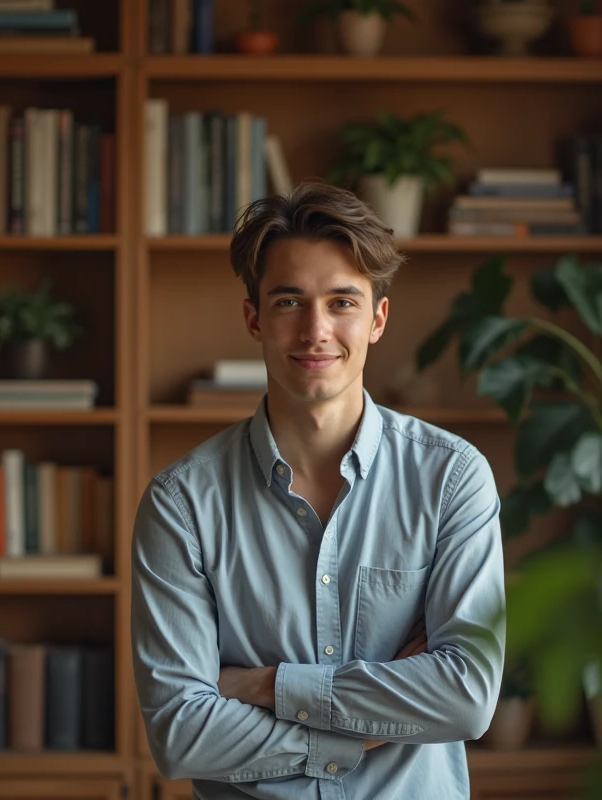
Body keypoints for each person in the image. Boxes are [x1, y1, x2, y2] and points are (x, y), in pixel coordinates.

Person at [131, 181, 506, 800]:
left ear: (377, 319)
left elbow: (466, 697)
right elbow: (179, 731)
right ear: (254, 318)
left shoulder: (451, 478)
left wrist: (264, 685)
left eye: (342, 302)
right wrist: (358, 731)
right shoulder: (183, 503)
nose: (316, 330)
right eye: (288, 302)